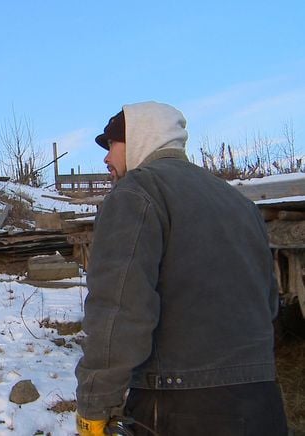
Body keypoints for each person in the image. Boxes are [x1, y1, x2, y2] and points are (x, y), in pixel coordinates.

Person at [74, 101, 288, 435]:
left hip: (179, 408)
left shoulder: (137, 193)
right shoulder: (241, 205)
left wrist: (94, 406)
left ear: (139, 137)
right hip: (262, 403)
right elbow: (269, 303)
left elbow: (118, 312)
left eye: (112, 144)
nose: (106, 158)